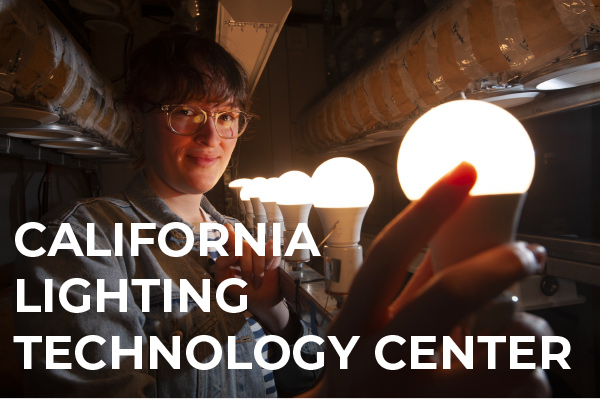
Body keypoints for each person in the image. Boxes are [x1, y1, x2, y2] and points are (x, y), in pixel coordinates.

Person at [13, 28, 552, 397]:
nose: (212, 135)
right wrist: (220, 318)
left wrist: (272, 309)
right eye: (186, 111)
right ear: (141, 116)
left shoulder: (235, 234)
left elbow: (296, 374)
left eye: (227, 116)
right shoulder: (90, 233)